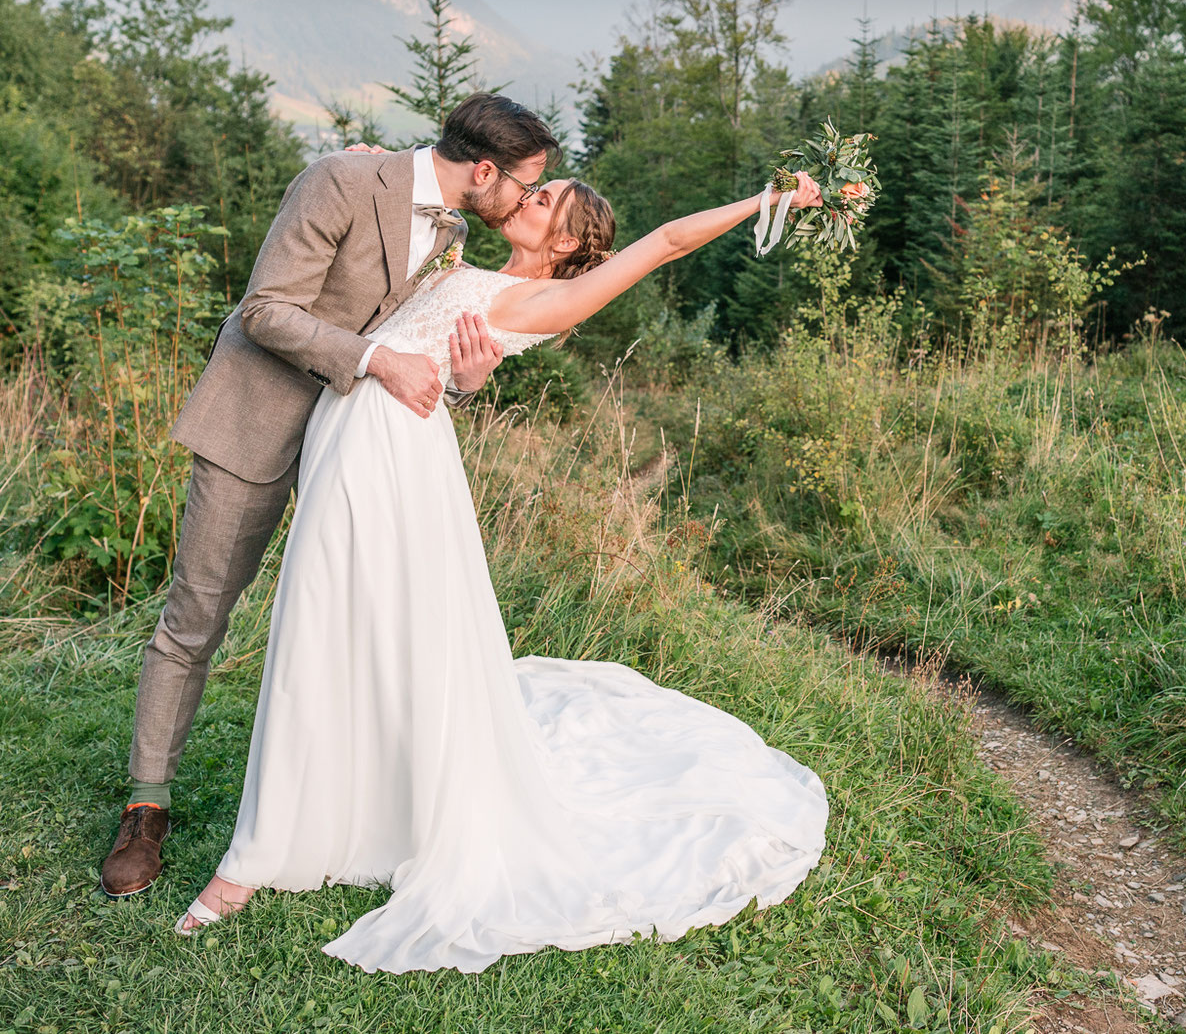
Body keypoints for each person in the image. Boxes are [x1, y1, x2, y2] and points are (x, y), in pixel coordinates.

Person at [171, 166, 832, 974]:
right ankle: (341, 804)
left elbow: (664, 243)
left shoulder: (549, 301)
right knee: (333, 623)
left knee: (327, 619)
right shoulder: (460, 257)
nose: (533, 196)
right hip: (350, 431)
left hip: (391, 456)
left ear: (565, 244)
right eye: (537, 185)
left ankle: (252, 857)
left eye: (548, 199)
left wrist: (773, 199)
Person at [99, 93, 554, 900]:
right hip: (257, 425)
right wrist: (375, 361)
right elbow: (265, 309)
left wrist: (465, 383)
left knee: (355, 632)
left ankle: (347, 806)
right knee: (196, 617)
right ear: (484, 171)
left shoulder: (450, 232)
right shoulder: (339, 180)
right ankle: (146, 804)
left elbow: (423, 360)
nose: (524, 203)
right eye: (525, 186)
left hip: (355, 452)